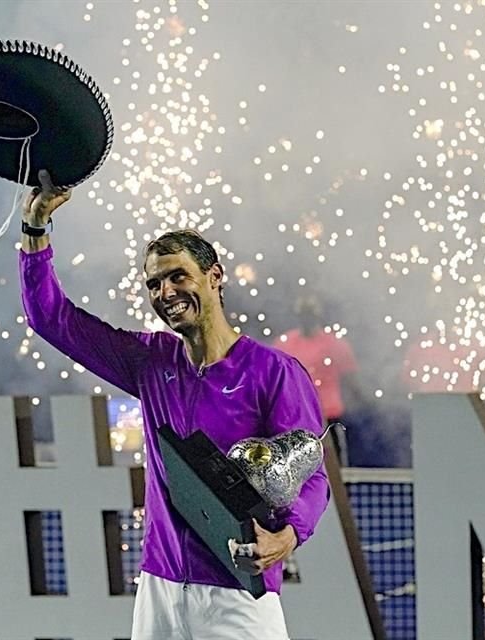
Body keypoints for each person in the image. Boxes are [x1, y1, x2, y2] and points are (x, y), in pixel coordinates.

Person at [19, 170, 329, 640]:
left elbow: (314, 477)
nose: (165, 294)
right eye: (153, 284)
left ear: (214, 277)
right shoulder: (149, 361)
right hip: (159, 586)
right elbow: (52, 319)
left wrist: (286, 538)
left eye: (177, 276)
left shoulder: (273, 372)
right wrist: (36, 230)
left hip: (237, 592)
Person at [277, 294, 366, 465]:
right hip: (296, 421)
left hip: (328, 418)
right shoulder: (285, 344)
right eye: (303, 313)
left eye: (310, 313)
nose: (307, 317)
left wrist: (361, 403)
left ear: (318, 315)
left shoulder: (335, 344)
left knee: (334, 473)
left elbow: (351, 381)